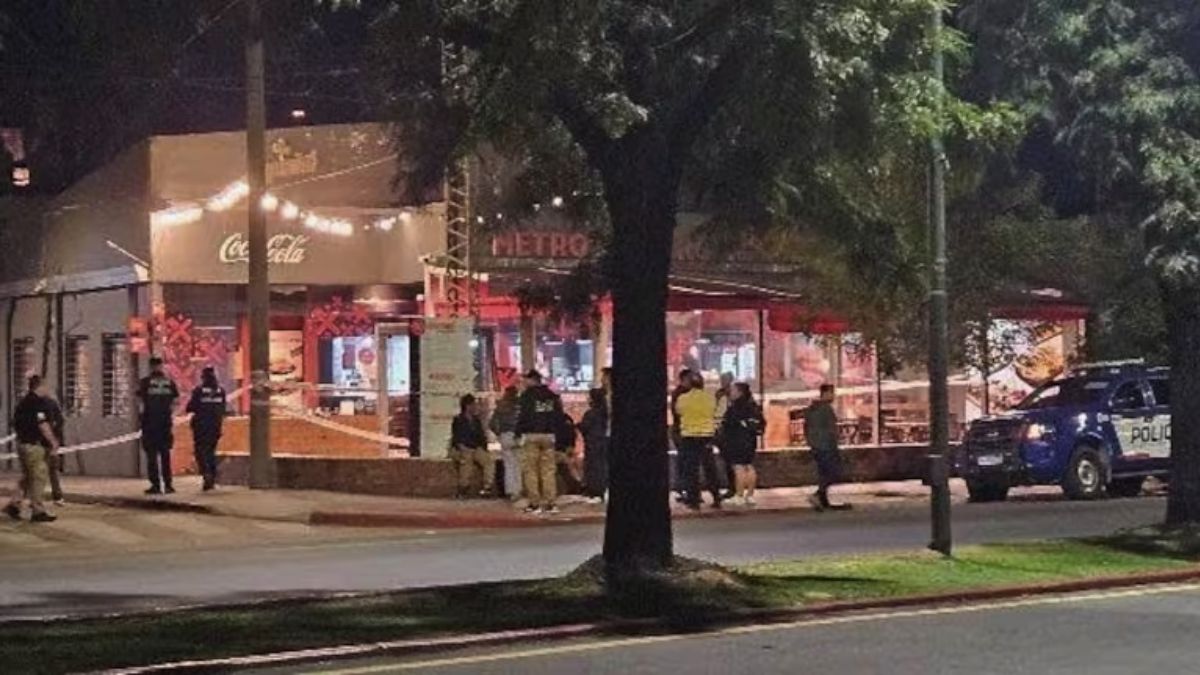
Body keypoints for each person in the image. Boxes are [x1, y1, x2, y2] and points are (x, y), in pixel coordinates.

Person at [4, 375, 58, 522]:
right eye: (45, 386)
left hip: (22, 444)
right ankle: (37, 510)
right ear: (40, 386)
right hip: (33, 445)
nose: (47, 389)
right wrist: (53, 442)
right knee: (39, 476)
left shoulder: (23, 402)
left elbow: (15, 423)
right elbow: (43, 424)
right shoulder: (38, 403)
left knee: (28, 477)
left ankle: (14, 505)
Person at [516, 369, 564, 514]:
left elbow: (523, 416)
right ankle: (551, 503)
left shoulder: (527, 396)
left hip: (531, 436)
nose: (524, 382)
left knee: (530, 471)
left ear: (532, 380)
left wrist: (518, 433)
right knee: (548, 470)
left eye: (526, 379)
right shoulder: (552, 396)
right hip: (549, 436)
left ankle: (535, 503)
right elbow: (558, 417)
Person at [674, 372, 722, 510]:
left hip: (689, 436)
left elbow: (679, 412)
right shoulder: (709, 398)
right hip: (706, 435)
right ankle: (716, 497)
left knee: (691, 469)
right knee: (709, 467)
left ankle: (694, 500)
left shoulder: (683, 398)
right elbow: (714, 411)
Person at [137, 356, 180, 495]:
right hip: (165, 424)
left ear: (150, 367)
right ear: (162, 366)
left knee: (151, 456)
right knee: (165, 455)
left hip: (150, 424)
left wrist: (142, 418)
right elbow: (176, 401)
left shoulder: (145, 383)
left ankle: (155, 485)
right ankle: (168, 485)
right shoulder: (169, 383)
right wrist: (169, 414)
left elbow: (140, 404)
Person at [804, 384, 850, 511]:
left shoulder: (812, 409)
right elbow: (831, 430)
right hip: (826, 446)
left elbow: (807, 428)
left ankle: (823, 499)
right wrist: (833, 443)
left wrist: (811, 442)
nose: (833, 396)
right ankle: (818, 494)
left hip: (817, 446)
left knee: (824, 472)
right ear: (825, 393)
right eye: (831, 393)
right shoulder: (825, 409)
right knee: (834, 472)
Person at [721, 383, 765, 506]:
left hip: (737, 441)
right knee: (749, 466)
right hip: (750, 441)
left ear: (740, 392)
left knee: (738, 467)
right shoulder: (753, 405)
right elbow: (761, 423)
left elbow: (728, 423)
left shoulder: (737, 406)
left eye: (733, 390)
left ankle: (739, 495)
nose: (731, 392)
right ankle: (750, 495)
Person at [186, 367, 227, 492]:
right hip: (215, 426)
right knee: (210, 452)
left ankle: (206, 474)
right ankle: (212, 477)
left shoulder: (199, 391)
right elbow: (223, 409)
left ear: (203, 377)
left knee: (200, 452)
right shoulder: (221, 391)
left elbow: (190, 407)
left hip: (201, 426)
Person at [450, 394, 495, 498]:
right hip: (464, 447)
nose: (475, 406)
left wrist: (484, 447)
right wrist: (461, 447)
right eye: (473, 404)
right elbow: (457, 436)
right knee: (466, 462)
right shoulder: (459, 419)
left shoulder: (476, 420)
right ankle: (463, 488)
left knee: (488, 461)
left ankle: (487, 487)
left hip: (476, 447)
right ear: (467, 406)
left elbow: (481, 436)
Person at [489, 385, 522, 501]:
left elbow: (492, 424)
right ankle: (519, 490)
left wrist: (499, 433)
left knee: (508, 464)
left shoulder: (501, 406)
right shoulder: (520, 406)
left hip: (505, 436)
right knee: (518, 464)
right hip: (518, 436)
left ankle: (510, 490)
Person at [580, 387, 609, 503]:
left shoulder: (590, 413)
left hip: (593, 443)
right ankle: (600, 490)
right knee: (601, 467)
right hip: (602, 442)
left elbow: (585, 427)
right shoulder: (604, 412)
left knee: (593, 467)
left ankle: (594, 491)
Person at [670, 368, 693, 501]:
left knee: (686, 460)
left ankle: (686, 489)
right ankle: (683, 488)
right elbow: (677, 412)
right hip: (682, 430)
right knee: (684, 460)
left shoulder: (689, 393)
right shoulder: (679, 393)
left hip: (688, 430)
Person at [713, 372, 736, 499]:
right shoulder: (720, 393)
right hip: (723, 433)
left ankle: (735, 487)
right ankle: (731, 487)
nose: (723, 382)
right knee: (727, 462)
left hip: (732, 433)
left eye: (725, 379)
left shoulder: (735, 393)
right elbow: (716, 409)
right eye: (722, 379)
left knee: (734, 463)